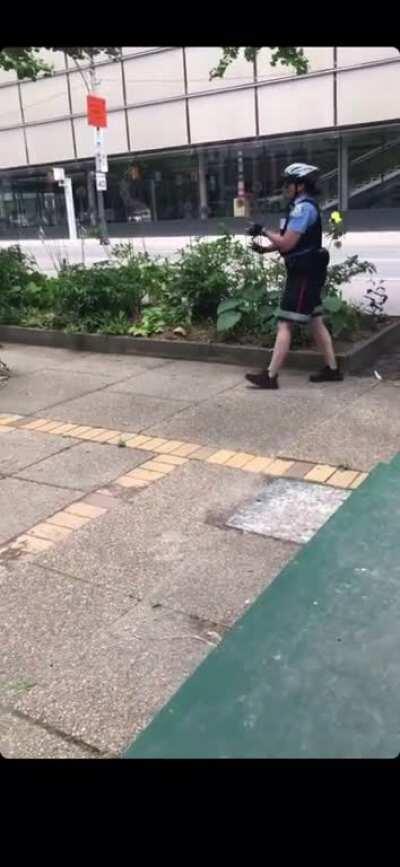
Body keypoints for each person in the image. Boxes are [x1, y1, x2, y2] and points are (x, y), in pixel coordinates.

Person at [245, 163, 343, 390]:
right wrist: (266, 248)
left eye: (288, 183)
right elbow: (291, 240)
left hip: (303, 275)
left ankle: (270, 376)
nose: (285, 187)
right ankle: (332, 370)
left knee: (284, 323)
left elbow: (287, 242)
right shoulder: (301, 207)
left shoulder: (302, 209)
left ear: (300, 185)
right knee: (316, 321)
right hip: (309, 272)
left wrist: (262, 231)